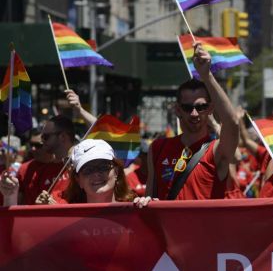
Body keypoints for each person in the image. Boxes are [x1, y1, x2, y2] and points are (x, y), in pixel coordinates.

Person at [146, 42, 239, 200]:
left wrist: (206, 76)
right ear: (177, 110)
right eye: (188, 107)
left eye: (201, 107)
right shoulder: (158, 148)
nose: (194, 113)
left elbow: (232, 122)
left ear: (210, 109)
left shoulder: (216, 151)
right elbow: (150, 194)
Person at [2, 139, 136, 205]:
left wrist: (150, 209)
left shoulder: (136, 210)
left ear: (116, 172)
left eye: (103, 166)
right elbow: (20, 241)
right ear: (78, 180)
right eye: (88, 169)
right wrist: (10, 197)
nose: (96, 174)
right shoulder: (64, 215)